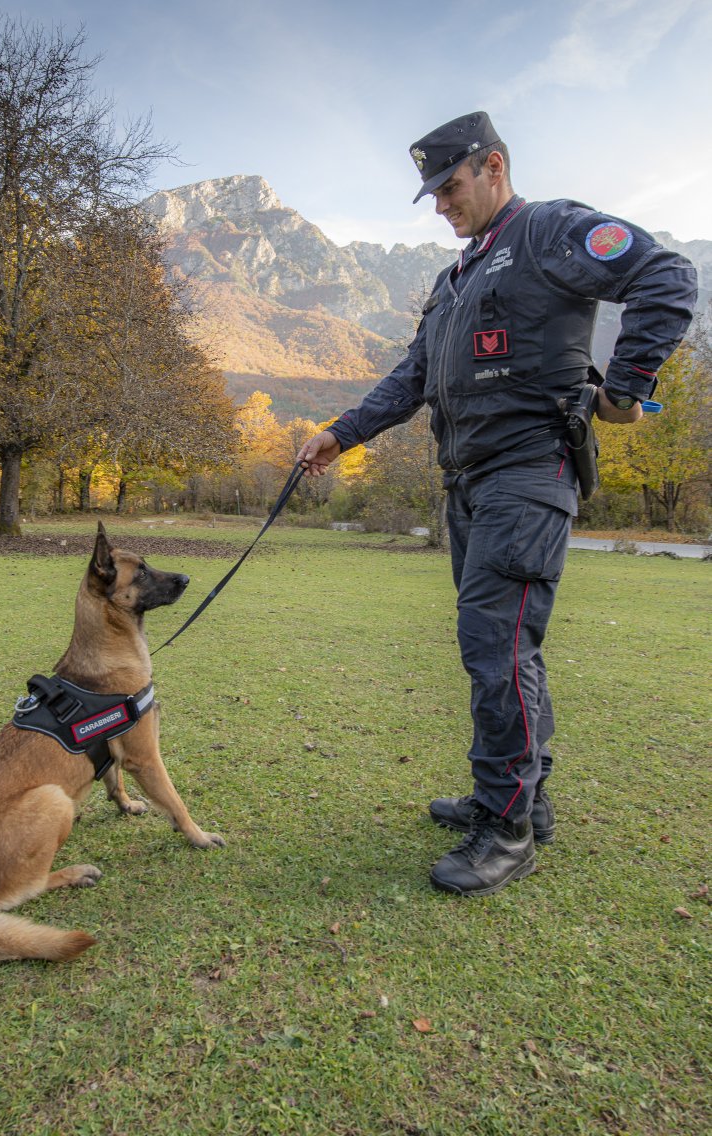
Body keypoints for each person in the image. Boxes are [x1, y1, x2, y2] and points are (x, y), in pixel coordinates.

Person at [297, 111, 697, 897]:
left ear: (494, 167)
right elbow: (413, 377)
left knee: (494, 650)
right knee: (508, 650)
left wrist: (626, 388)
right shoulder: (456, 279)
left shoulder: (549, 231)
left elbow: (668, 277)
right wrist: (338, 436)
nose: (441, 205)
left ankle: (506, 832)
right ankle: (522, 799)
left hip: (528, 472)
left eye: (450, 187)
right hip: (469, 482)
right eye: (433, 194)